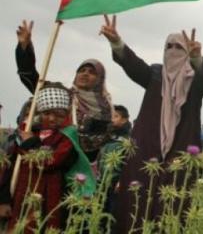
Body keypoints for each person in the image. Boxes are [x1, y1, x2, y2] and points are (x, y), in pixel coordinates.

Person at [99, 15, 203, 232]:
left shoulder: (195, 79)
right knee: (138, 200)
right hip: (147, 147)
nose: (173, 51)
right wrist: (116, 42)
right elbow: (134, 65)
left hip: (181, 150)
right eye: (168, 46)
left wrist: (197, 58)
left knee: (174, 203)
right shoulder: (154, 75)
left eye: (179, 47)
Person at [15, 20, 113, 161]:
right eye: (82, 70)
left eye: (92, 72)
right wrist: (24, 47)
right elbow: (30, 77)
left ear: (100, 79)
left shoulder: (106, 109)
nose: (85, 74)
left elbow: (100, 144)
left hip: (83, 166)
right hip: (48, 157)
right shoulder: (62, 95)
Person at [6, 82, 95, 232]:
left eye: (59, 115)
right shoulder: (26, 130)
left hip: (52, 198)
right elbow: (10, 164)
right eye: (47, 113)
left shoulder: (68, 136)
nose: (52, 119)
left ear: (66, 114)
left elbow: (50, 161)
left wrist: (30, 143)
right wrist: (3, 199)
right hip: (22, 196)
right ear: (39, 112)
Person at [97, 104, 132, 215]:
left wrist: (121, 181)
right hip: (101, 182)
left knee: (111, 214)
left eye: (116, 116)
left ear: (124, 119)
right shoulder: (108, 136)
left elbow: (129, 163)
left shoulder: (128, 140)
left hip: (115, 185)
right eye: (111, 116)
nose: (112, 119)